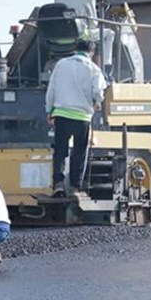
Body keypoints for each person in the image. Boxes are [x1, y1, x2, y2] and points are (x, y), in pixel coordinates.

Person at [45, 38, 108, 198]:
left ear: (75, 49)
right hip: (82, 117)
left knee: (60, 151)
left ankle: (58, 185)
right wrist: (98, 102)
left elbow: (51, 89)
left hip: (62, 114)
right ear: (91, 53)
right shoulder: (94, 69)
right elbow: (98, 92)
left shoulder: (61, 65)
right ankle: (74, 187)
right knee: (79, 152)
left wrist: (49, 110)